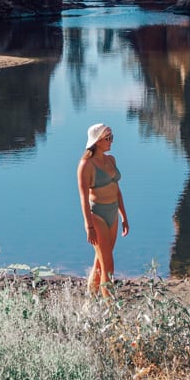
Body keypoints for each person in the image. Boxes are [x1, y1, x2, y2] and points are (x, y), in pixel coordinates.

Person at [77, 122, 129, 296]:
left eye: (112, 137)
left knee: (100, 262)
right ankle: (111, 312)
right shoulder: (86, 166)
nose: (111, 141)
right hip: (97, 216)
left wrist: (124, 216)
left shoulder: (111, 160)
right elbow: (83, 198)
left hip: (113, 213)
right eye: (108, 138)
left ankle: (89, 303)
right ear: (97, 141)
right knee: (108, 265)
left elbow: (117, 190)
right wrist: (89, 227)